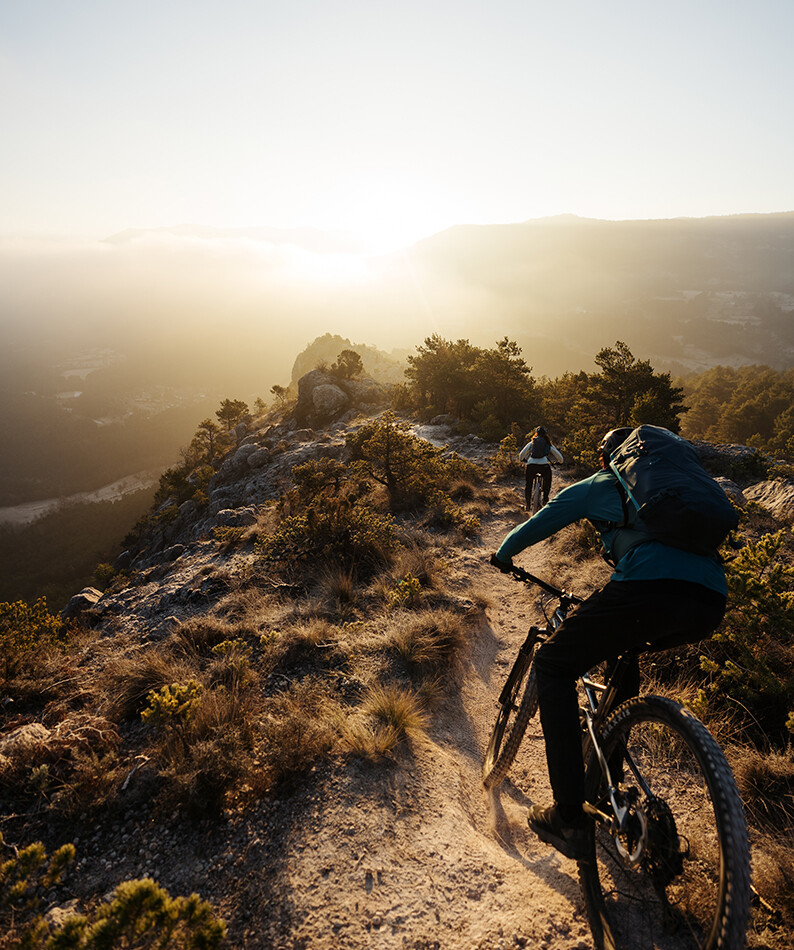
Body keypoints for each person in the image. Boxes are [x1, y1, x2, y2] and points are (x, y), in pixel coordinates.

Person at [491, 427, 727, 861]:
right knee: (624, 650)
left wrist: (504, 554)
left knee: (555, 662)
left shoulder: (603, 484)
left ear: (611, 461)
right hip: (709, 601)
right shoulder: (679, 492)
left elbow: (542, 522)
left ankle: (568, 818)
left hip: (645, 589)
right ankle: (606, 784)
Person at [518, 426, 564, 508]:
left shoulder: (532, 443)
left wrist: (523, 460)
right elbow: (560, 457)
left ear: (536, 433)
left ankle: (528, 505)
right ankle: (545, 499)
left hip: (531, 465)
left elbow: (521, 455)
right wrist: (559, 462)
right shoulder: (547, 443)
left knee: (528, 484)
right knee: (548, 480)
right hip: (543, 466)